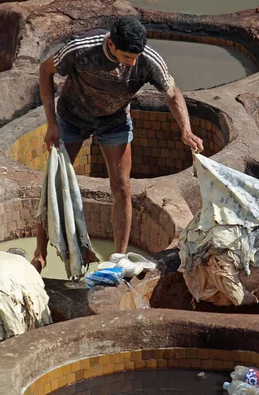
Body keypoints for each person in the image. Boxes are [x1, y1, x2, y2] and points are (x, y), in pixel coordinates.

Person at [31, 16, 204, 272]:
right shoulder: (81, 49)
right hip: (72, 117)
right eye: (126, 57)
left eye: (136, 57)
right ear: (110, 45)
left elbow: (172, 93)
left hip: (115, 120)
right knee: (56, 183)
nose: (132, 63)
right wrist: (51, 124)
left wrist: (186, 130)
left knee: (122, 187)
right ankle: (40, 252)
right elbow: (46, 71)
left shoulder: (148, 60)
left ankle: (119, 258)